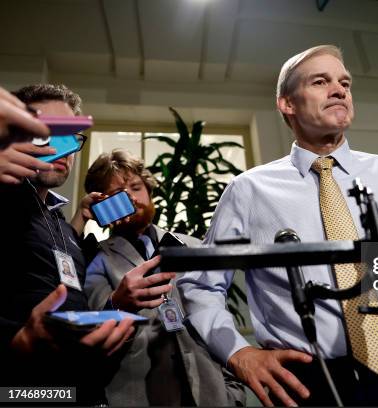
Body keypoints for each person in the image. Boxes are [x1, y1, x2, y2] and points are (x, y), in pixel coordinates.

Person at [179, 45, 378, 406]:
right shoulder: (249, 190)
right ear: (287, 104)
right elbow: (199, 285)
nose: (339, 90)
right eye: (321, 81)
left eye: (345, 83)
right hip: (312, 382)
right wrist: (239, 353)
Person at [0, 84, 137, 405]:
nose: (64, 147)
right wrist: (16, 342)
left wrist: (81, 217)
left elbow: (57, 264)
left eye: (71, 135)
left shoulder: (59, 223)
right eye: (47, 132)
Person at [83, 149, 245, 406]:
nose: (131, 198)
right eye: (116, 196)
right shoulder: (94, 259)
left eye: (136, 188)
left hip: (211, 396)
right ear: (100, 206)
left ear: (149, 190)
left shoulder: (194, 247)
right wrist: (117, 304)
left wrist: (233, 390)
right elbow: (93, 334)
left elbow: (219, 317)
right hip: (136, 397)